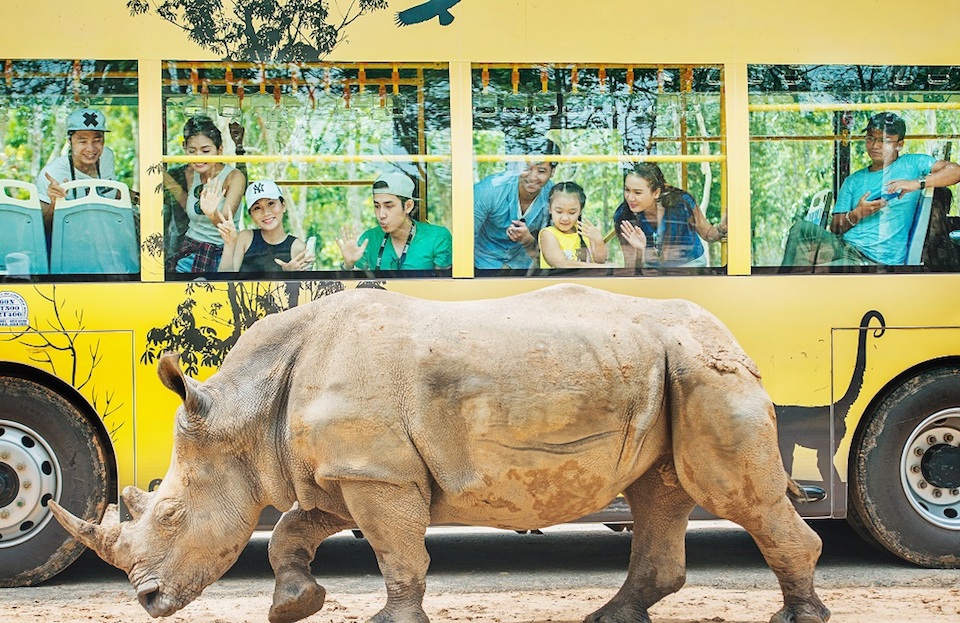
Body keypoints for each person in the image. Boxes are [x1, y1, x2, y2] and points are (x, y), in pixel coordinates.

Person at [781, 112, 960, 268]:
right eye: (870, 139)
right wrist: (858, 213)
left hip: (876, 261)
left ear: (899, 144)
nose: (875, 146)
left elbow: (956, 171)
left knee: (822, 273)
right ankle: (788, 290)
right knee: (801, 229)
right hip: (845, 248)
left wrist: (917, 183)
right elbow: (835, 228)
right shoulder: (853, 181)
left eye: (884, 140)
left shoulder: (913, 164)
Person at [167, 116, 246, 273]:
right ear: (184, 148)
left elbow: (226, 226)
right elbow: (187, 204)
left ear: (220, 150)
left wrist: (211, 213)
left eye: (205, 151)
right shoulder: (191, 172)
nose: (199, 157)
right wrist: (164, 177)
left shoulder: (234, 177)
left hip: (222, 253)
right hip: (189, 251)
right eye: (192, 151)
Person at [614, 163, 726, 269]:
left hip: (690, 268)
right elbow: (630, 268)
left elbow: (708, 234)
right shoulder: (623, 215)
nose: (630, 198)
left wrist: (721, 229)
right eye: (627, 190)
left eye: (637, 193)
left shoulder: (682, 202)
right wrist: (640, 252)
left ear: (656, 193)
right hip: (652, 273)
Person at [336, 171, 452, 271]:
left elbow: (446, 286)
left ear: (408, 206)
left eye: (389, 206)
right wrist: (348, 265)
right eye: (377, 206)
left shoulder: (437, 237)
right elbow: (356, 289)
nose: (381, 214)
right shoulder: (370, 239)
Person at [474, 142, 559, 270]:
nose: (533, 177)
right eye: (526, 168)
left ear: (552, 172)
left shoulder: (554, 197)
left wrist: (528, 240)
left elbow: (556, 251)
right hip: (482, 263)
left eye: (541, 171)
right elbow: (466, 237)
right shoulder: (489, 190)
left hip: (525, 269)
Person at [36, 108, 117, 240]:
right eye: (82, 141)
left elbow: (110, 190)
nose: (91, 149)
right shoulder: (53, 173)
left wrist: (137, 197)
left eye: (97, 140)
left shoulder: (106, 156)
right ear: (69, 140)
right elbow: (42, 228)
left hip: (105, 237)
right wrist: (54, 204)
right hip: (68, 242)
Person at [215, 180, 314, 273]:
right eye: (257, 208)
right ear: (251, 215)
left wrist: (290, 275)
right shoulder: (245, 238)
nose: (266, 212)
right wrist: (229, 244)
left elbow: (303, 289)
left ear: (283, 205)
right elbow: (224, 282)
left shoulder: (298, 248)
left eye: (271, 203)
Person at [538, 182, 609, 269]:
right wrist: (599, 267)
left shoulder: (585, 232)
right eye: (559, 212)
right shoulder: (547, 234)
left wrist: (598, 241)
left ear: (580, 211)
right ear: (550, 209)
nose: (565, 218)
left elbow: (600, 261)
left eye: (572, 213)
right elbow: (561, 264)